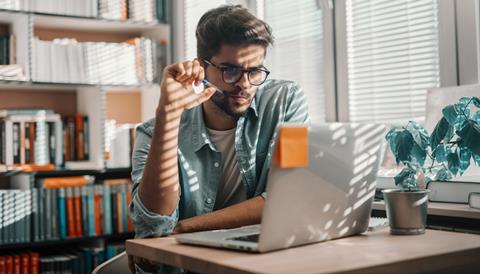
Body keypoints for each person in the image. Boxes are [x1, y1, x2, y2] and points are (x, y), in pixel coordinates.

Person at [128, 4, 310, 273]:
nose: (245, 85)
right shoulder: (151, 133)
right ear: (202, 68)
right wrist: (168, 113)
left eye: (255, 70)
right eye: (230, 70)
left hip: (259, 263)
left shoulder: (285, 102)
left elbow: (286, 199)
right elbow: (153, 225)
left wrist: (186, 227)